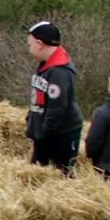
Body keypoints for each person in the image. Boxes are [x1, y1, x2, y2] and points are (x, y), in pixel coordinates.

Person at [25, 20, 83, 175]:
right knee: (36, 173)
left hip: (60, 135)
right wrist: (31, 123)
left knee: (62, 173)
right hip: (44, 134)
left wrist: (43, 133)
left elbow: (57, 108)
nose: (29, 49)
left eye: (30, 45)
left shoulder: (59, 72)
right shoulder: (45, 65)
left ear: (39, 44)